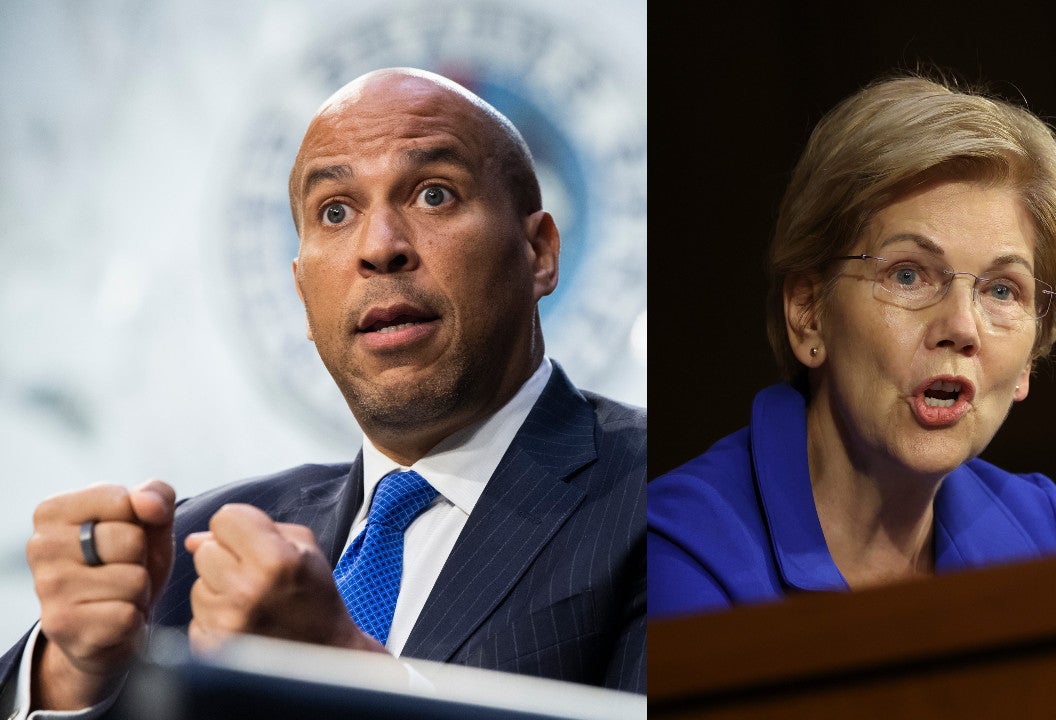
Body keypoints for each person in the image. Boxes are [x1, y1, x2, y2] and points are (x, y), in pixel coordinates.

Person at [0, 67, 646, 716]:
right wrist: (66, 675)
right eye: (335, 211)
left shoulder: (658, 497)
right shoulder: (189, 553)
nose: (380, 248)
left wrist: (339, 668)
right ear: (303, 294)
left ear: (539, 253)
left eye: (434, 195)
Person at [647, 74, 1056, 618]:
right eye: (908, 275)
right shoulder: (678, 552)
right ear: (808, 313)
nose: (962, 326)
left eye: (1002, 289)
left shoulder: (1038, 532)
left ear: (1031, 359)